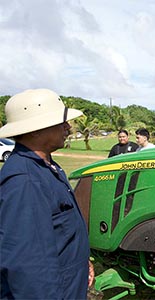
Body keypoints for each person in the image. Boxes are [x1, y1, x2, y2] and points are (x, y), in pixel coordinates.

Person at [0, 88, 94, 299]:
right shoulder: (25, 180)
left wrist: (82, 260)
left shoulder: (48, 166)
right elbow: (27, 265)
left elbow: (60, 232)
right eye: (60, 122)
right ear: (34, 129)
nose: (68, 127)